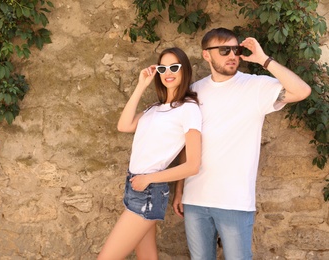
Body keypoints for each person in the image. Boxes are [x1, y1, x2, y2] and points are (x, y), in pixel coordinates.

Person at [172, 27, 311, 259]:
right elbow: (188, 146)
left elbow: (302, 90)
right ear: (207, 54)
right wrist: (179, 190)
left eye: (235, 49)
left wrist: (264, 60)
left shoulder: (254, 86)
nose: (232, 55)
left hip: (235, 202)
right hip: (195, 200)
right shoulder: (194, 91)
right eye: (224, 50)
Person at [97, 47, 202, 260]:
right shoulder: (154, 108)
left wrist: (148, 179)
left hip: (148, 189)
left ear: (184, 71)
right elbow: (124, 125)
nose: (168, 72)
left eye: (174, 67)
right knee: (146, 256)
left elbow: (193, 165)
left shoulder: (188, 109)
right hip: (136, 185)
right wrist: (141, 85)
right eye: (163, 68)